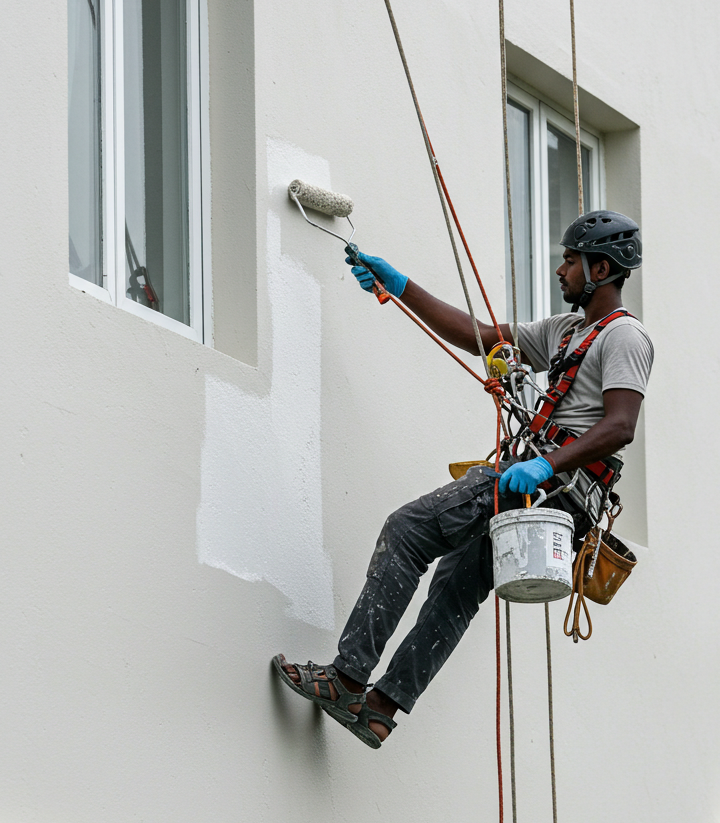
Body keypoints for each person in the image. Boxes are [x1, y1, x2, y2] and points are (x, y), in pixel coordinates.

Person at [274, 211, 654, 748]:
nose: (561, 270)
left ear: (601, 267)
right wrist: (399, 286)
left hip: (552, 486)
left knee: (407, 530)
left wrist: (546, 465)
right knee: (456, 584)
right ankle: (379, 709)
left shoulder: (626, 338)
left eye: (571, 260)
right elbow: (481, 337)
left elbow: (620, 425)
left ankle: (346, 678)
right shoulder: (568, 332)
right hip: (542, 483)